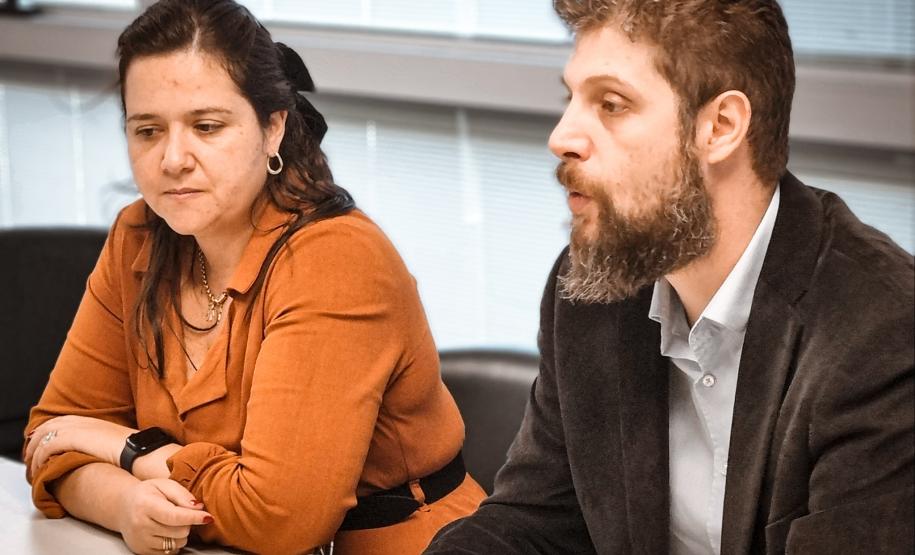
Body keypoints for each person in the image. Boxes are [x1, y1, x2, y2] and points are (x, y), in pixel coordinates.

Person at [425, 1, 914, 553]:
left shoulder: (882, 334)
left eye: (611, 105)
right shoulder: (592, 286)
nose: (562, 137)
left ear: (720, 128)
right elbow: (536, 520)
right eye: (571, 100)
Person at [22, 1, 485, 554]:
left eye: (207, 126)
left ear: (272, 129)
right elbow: (52, 437)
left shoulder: (336, 259)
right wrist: (125, 504)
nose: (173, 159)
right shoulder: (139, 233)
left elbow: (277, 517)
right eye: (147, 130)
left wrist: (128, 450)